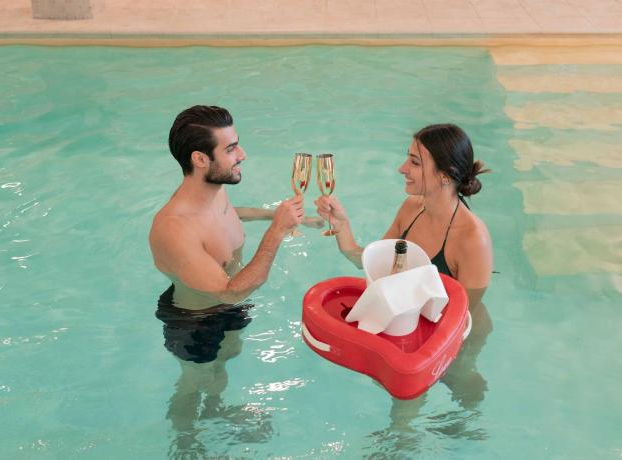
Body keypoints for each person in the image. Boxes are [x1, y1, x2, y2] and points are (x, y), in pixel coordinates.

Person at [149, 105, 319, 450]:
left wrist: (278, 215)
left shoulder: (214, 189)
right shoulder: (174, 228)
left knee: (226, 358)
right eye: (230, 149)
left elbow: (230, 214)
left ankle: (214, 410)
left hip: (225, 307)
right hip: (194, 320)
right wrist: (277, 229)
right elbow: (230, 292)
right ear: (199, 159)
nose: (241, 155)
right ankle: (185, 442)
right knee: (194, 381)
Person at [314, 123, 493, 307]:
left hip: (457, 333)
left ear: (445, 175)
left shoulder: (472, 239)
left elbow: (464, 315)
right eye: (408, 158)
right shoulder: (412, 207)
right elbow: (368, 262)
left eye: (415, 162)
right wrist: (341, 226)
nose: (402, 168)